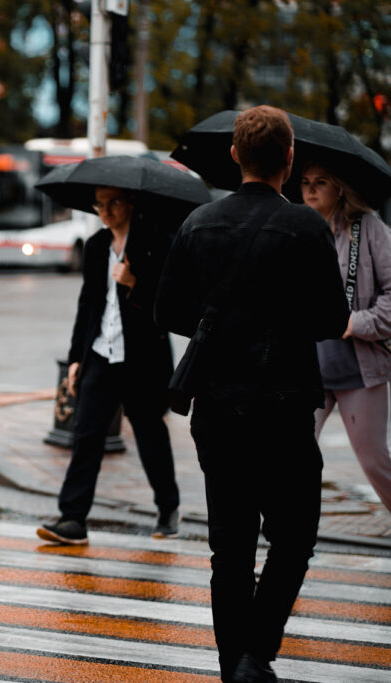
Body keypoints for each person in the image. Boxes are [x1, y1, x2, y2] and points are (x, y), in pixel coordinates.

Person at [155, 105, 349, 683]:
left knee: (230, 551)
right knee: (294, 539)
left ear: (235, 156)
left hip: (217, 409)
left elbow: (169, 310)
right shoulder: (308, 228)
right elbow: (332, 318)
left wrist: (223, 324)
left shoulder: (198, 224)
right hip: (285, 409)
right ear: (289, 160)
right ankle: (254, 654)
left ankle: (231, 667)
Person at [37, 188, 179, 546]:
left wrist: (136, 284)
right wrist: (75, 358)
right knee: (86, 435)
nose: (105, 210)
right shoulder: (97, 245)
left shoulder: (155, 242)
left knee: (149, 434)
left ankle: (167, 507)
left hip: (142, 358)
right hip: (101, 353)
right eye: (99, 203)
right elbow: (87, 305)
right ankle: (73, 518)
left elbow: (172, 306)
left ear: (130, 201)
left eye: (112, 202)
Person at [300, 161, 391, 514]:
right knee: (294, 452)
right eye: (305, 182)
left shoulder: (368, 229)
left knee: (373, 461)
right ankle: (289, 525)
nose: (310, 190)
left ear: (339, 187)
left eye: (321, 182)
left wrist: (357, 321)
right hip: (309, 370)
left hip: (358, 368)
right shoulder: (299, 230)